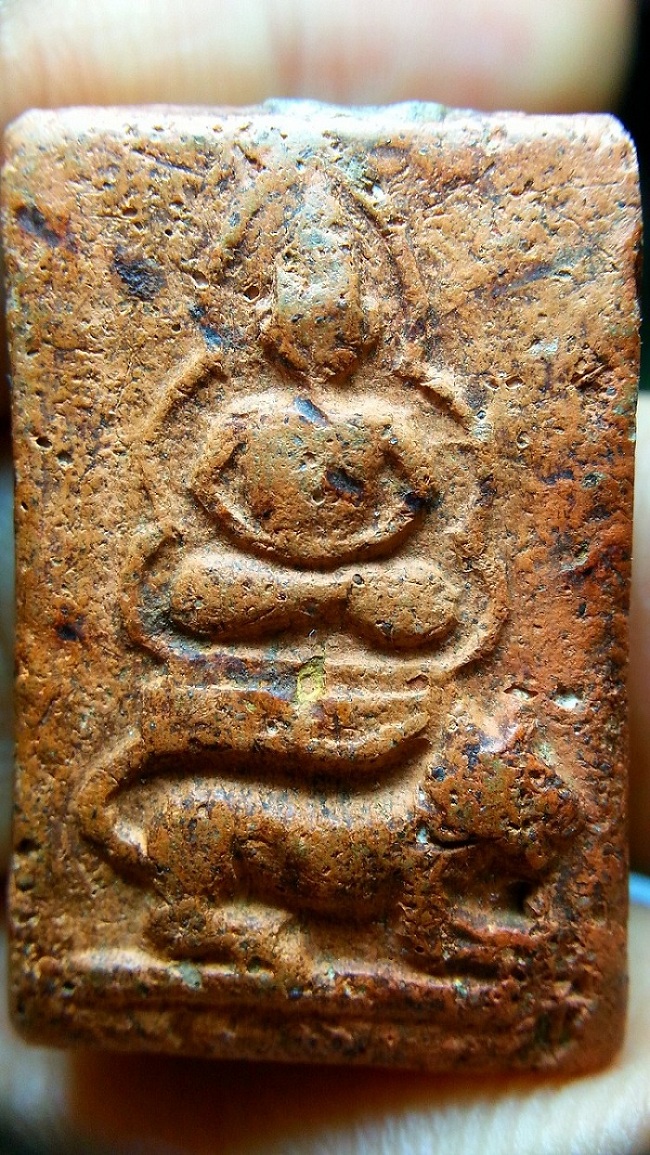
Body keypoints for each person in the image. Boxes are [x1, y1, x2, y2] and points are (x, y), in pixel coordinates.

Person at [0, 3, 648, 1153]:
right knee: (196, 588)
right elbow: (180, 534)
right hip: (251, 599)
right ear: (262, 304)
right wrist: (279, 576)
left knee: (419, 603)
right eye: (301, 291)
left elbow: (452, 534)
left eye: (344, 294)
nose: (325, 316)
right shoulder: (233, 413)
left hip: (374, 606)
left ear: (379, 305)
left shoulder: (397, 418)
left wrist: (363, 577)